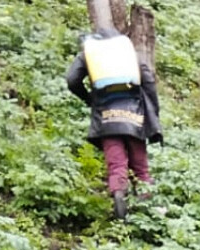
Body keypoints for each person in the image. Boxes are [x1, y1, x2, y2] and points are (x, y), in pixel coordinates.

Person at [66, 27, 162, 219]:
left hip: (106, 115)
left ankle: (119, 196)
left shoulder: (90, 53)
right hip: (134, 114)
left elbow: (72, 80)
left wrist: (89, 99)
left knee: (116, 164)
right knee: (141, 168)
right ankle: (146, 210)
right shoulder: (128, 53)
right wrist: (153, 112)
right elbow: (149, 81)